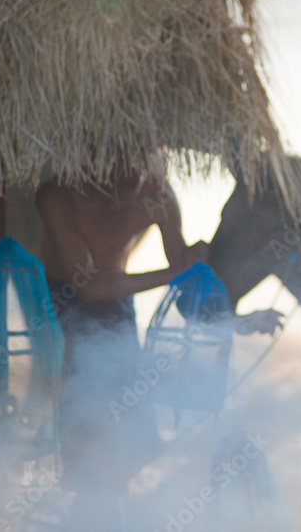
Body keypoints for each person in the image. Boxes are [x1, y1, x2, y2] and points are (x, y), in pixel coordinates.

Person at [36, 156, 209, 514]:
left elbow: (187, 279)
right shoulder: (59, 195)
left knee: (128, 414)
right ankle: (90, 505)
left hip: (117, 303)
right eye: (118, 154)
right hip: (60, 300)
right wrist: (174, 272)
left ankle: (113, 503)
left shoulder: (157, 195)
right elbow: (87, 287)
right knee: (84, 413)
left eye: (141, 154)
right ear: (93, 148)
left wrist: (204, 264)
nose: (132, 169)